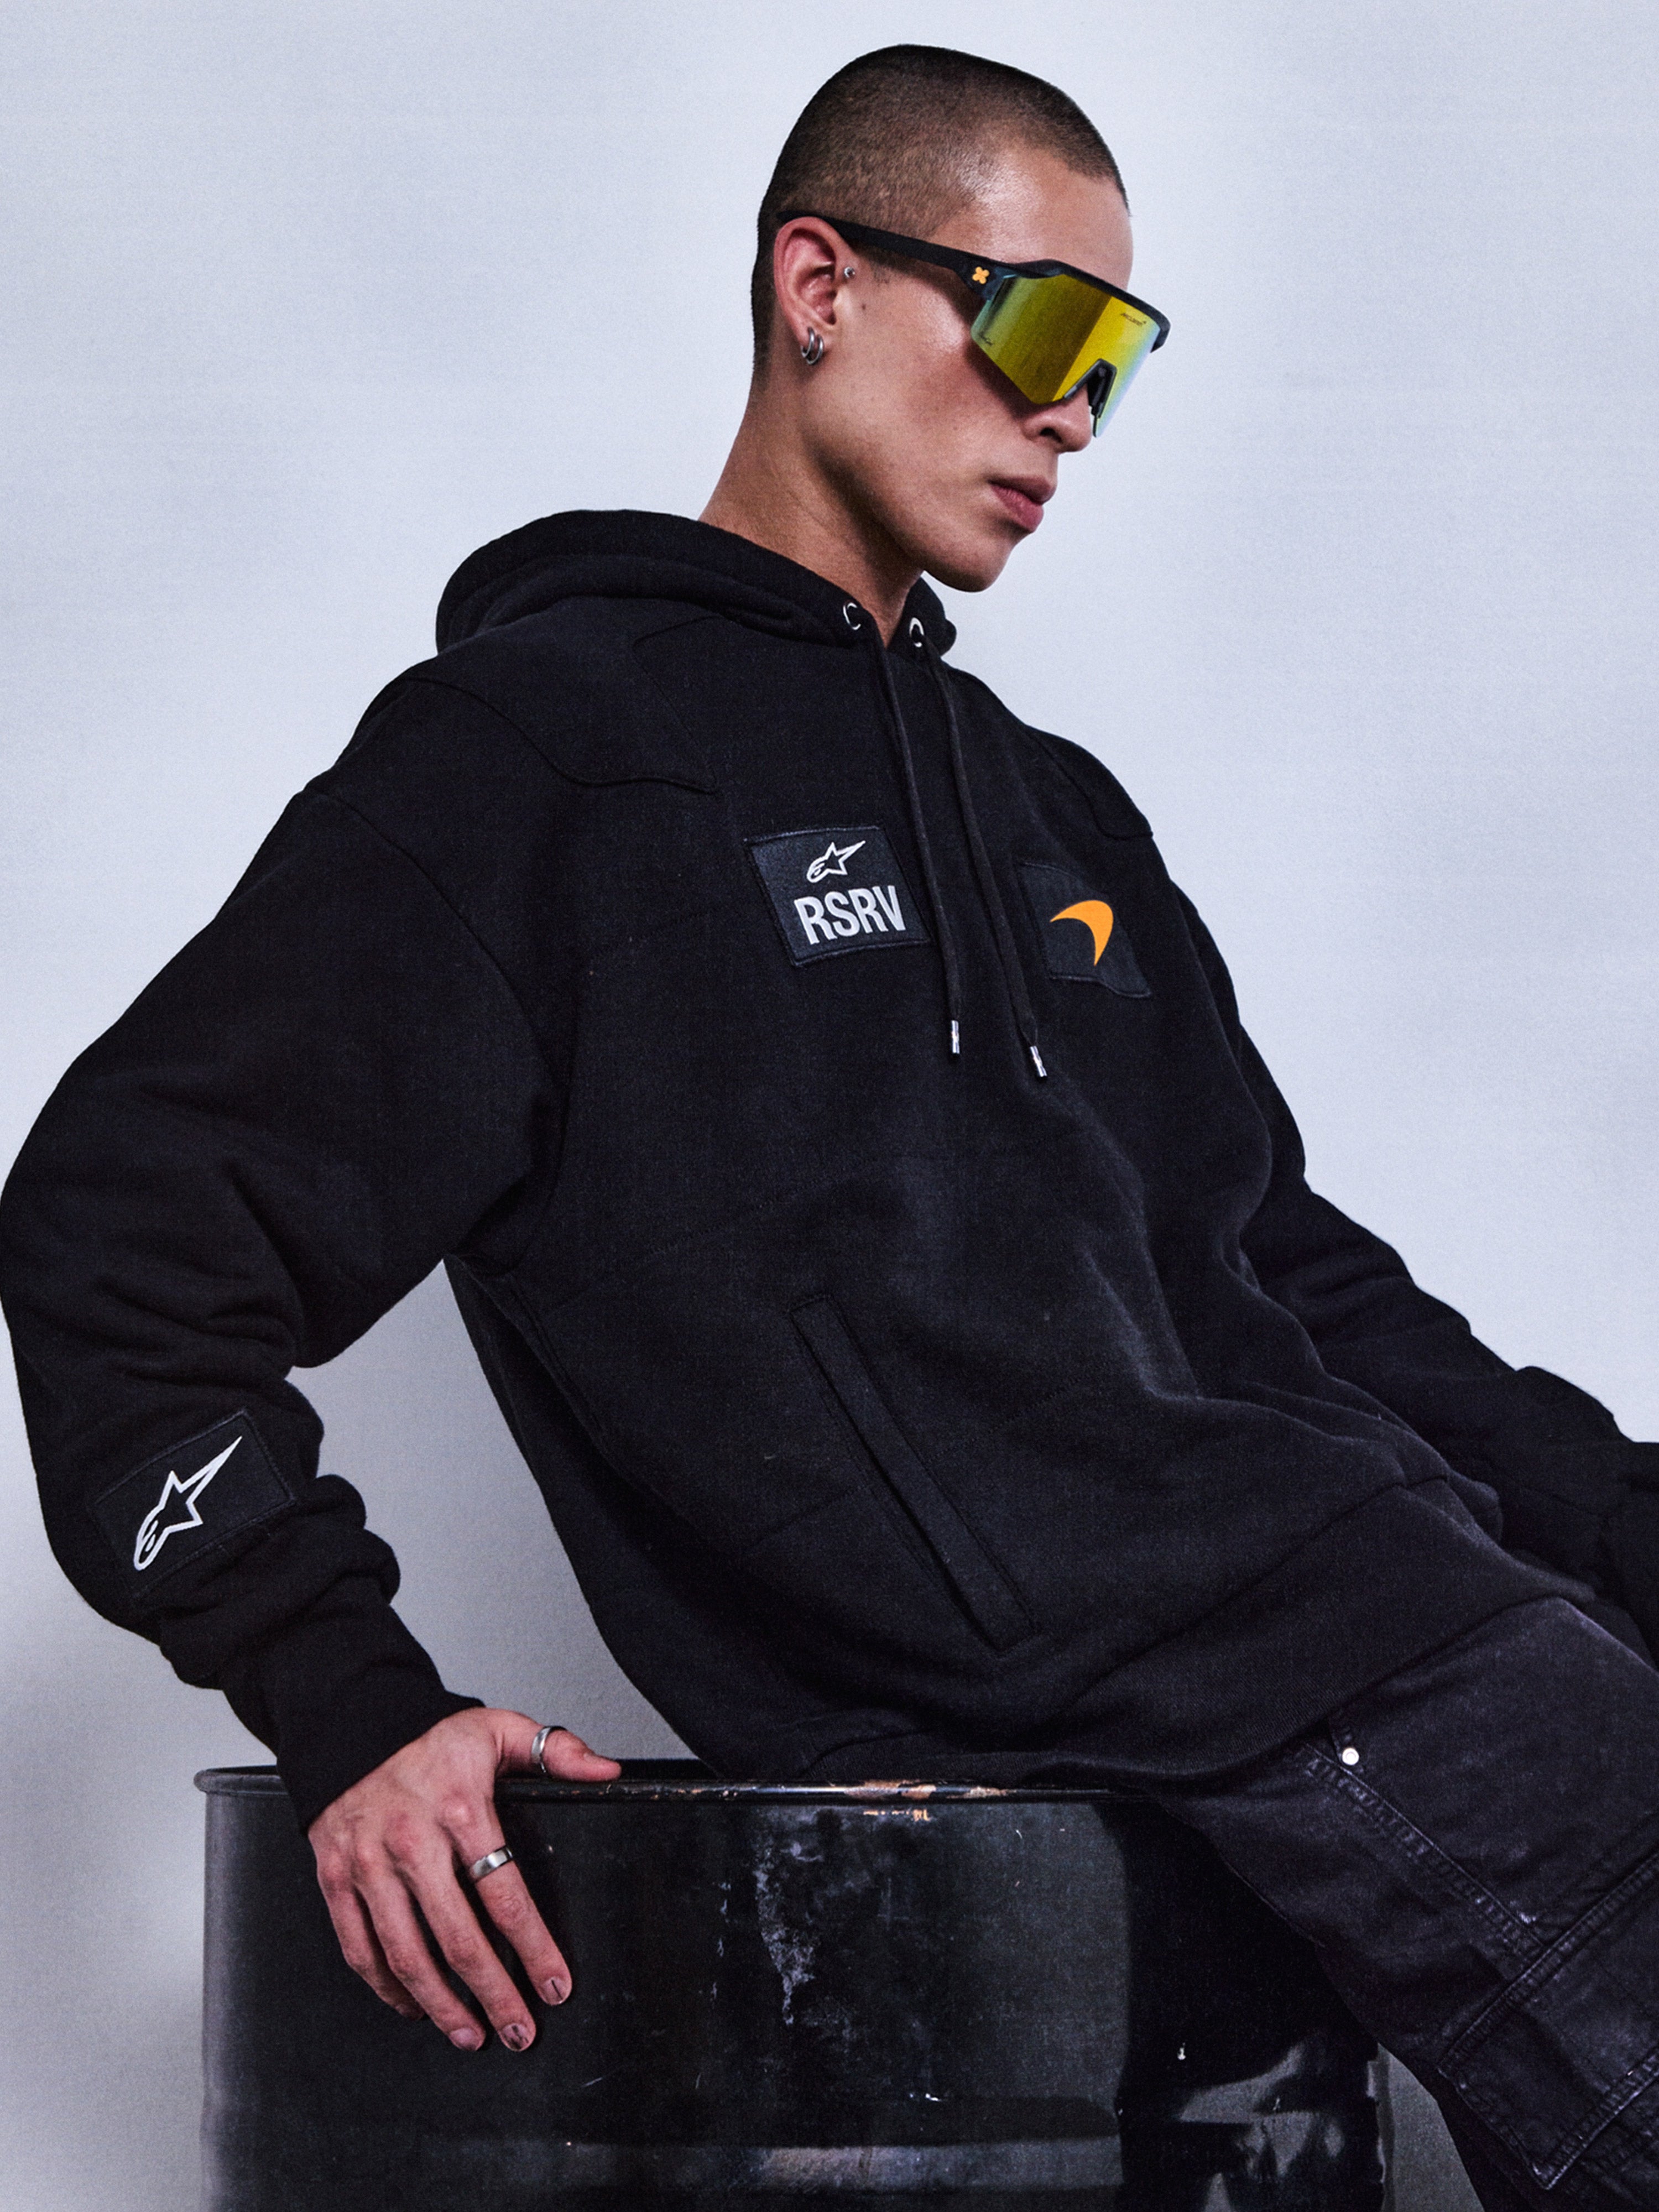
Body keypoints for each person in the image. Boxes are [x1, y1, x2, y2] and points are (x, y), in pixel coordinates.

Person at [3, 44, 1657, 2209]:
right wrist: (346, 1696)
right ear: (820, 285)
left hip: (1414, 1651)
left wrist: (1624, 1522)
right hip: (1264, 1704)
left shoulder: (1055, 815)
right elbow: (120, 1229)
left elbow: (1292, 1283)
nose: (1076, 414)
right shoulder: (541, 765)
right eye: (1043, 328)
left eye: (1121, 360)